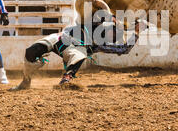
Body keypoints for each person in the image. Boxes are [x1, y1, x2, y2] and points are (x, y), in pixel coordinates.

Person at [10, 17, 147, 90]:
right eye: (114, 32)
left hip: (75, 49)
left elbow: (123, 49)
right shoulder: (94, 23)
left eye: (115, 35)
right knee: (30, 51)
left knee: (80, 54)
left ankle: (67, 79)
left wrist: (136, 32)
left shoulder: (100, 44)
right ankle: (25, 81)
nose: (113, 36)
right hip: (60, 38)